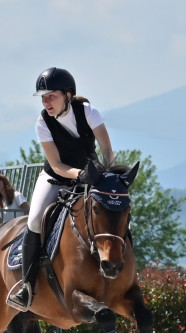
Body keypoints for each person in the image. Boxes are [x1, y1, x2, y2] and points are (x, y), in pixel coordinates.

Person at [7, 67, 115, 311]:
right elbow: (56, 164)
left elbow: (107, 151)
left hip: (90, 174)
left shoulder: (88, 112)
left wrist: (107, 177)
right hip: (55, 178)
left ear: (68, 94)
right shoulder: (42, 122)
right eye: (43, 98)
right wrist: (81, 175)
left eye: (51, 96)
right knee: (34, 221)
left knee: (113, 207)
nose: (46, 102)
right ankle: (27, 285)